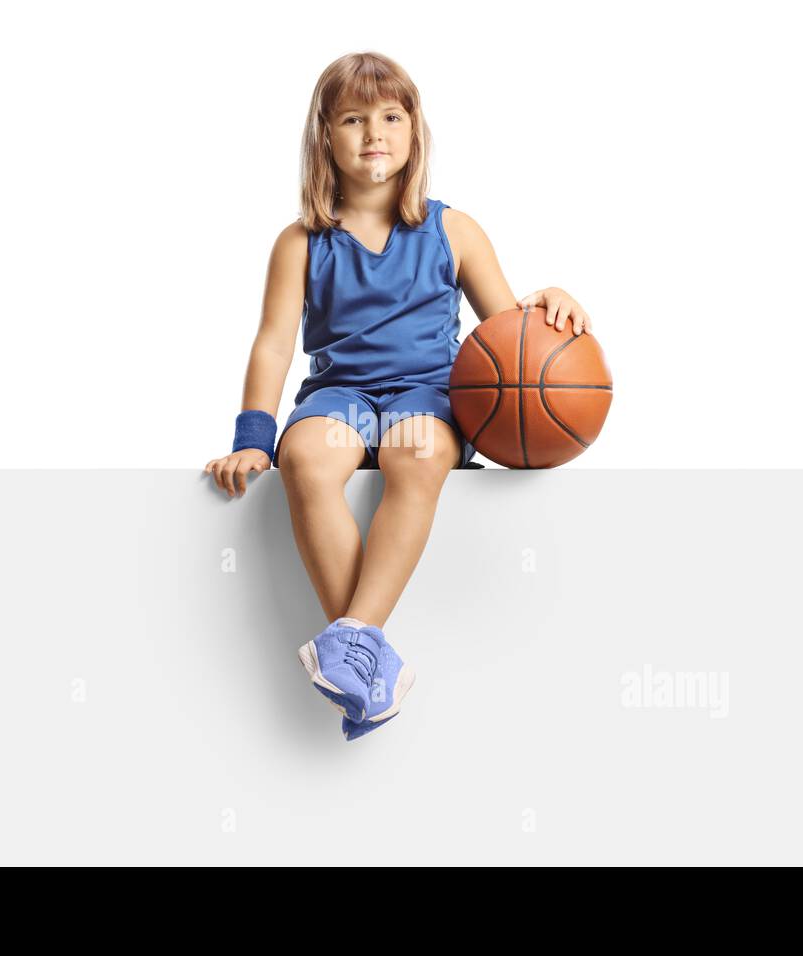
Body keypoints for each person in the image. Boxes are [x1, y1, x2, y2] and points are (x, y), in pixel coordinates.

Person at [203, 51, 592, 740]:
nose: (373, 132)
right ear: (325, 136)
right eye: (353, 119)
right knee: (309, 462)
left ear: (415, 131)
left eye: (390, 116)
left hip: (429, 395)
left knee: (417, 458)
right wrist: (251, 443)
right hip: (341, 394)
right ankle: (366, 655)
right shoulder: (300, 242)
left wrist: (552, 297)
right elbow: (272, 344)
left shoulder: (453, 229)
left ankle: (355, 644)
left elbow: (509, 336)